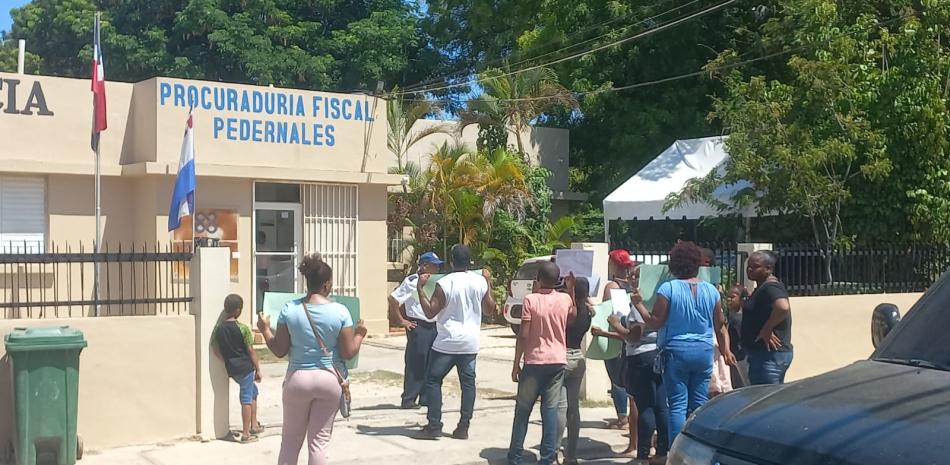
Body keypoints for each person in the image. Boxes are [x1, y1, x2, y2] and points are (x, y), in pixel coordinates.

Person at [258, 254, 368, 465]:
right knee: (318, 442)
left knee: (290, 441)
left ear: (307, 281)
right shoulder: (340, 311)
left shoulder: (290, 310)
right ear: (327, 284)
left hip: (298, 379)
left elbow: (279, 350)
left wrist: (265, 330)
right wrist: (360, 334)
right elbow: (348, 352)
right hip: (329, 379)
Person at [632, 241, 735, 442]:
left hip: (676, 350)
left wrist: (639, 305)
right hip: (704, 350)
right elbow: (719, 324)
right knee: (699, 402)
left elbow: (655, 323)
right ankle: (699, 448)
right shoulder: (712, 291)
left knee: (677, 405)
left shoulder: (668, 289)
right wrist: (725, 350)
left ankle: (677, 451)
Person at [417, 244, 495, 440]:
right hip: (470, 342)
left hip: (446, 342)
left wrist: (420, 288)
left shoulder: (445, 283)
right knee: (468, 384)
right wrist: (489, 283)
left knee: (433, 381)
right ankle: (463, 427)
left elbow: (429, 312)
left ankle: (434, 424)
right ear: (470, 262)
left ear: (451, 261)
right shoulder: (479, 282)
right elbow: (490, 310)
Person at [508, 263, 577, 465]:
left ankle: (515, 456)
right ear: (557, 281)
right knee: (549, 411)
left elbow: (524, 334)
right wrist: (571, 289)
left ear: (537, 279)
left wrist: (516, 363)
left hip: (534, 361)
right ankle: (547, 458)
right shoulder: (564, 299)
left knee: (523, 410)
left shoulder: (531, 300)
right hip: (557, 361)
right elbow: (572, 315)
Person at [607, 286, 669, 464]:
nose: (632, 282)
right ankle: (662, 450)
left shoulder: (638, 306)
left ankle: (643, 453)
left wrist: (616, 324)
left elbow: (634, 337)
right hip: (658, 354)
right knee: (660, 406)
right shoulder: (661, 302)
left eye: (636, 277)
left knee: (646, 406)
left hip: (641, 358)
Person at [389, 252, 444, 409]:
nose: (437, 267)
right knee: (416, 363)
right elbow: (393, 299)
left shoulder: (436, 281)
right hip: (419, 325)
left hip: (434, 325)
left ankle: (426, 397)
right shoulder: (412, 281)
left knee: (432, 363)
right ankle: (409, 398)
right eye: (434, 265)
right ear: (425, 266)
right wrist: (402, 321)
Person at [213, 294, 263, 443]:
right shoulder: (243, 328)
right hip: (245, 368)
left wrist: (228, 361)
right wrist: (258, 368)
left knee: (253, 391)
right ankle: (246, 434)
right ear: (238, 310)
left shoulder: (219, 328)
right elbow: (250, 350)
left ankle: (254, 424)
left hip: (232, 369)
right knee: (246, 399)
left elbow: (216, 350)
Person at [556, 277, 593, 465]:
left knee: (559, 408)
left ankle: (553, 450)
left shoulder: (567, 311)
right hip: (578, 356)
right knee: (573, 408)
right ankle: (571, 454)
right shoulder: (589, 311)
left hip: (562, 357)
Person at [742, 250, 793, 385]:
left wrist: (767, 328)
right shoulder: (763, 287)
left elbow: (783, 307)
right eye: (748, 265)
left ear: (768, 269)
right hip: (766, 355)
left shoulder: (771, 287)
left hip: (767, 356)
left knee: (765, 401)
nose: (750, 269)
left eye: (756, 266)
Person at [598, 249, 636, 431]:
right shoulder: (631, 285)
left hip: (614, 336)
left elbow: (609, 312)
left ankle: (622, 417)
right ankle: (627, 416)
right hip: (628, 336)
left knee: (617, 378)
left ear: (613, 263)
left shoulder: (611, 286)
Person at [726, 285, 750, 388]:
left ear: (741, 299)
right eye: (728, 297)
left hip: (739, 357)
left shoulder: (738, 318)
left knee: (741, 384)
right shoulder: (733, 316)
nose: (729, 300)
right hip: (737, 356)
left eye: (733, 297)